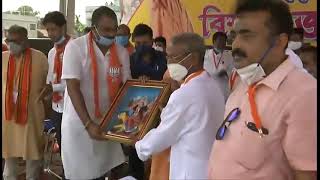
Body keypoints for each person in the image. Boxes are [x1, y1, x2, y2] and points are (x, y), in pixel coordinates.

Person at [208, 0, 317, 179]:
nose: (235, 45)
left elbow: (306, 175)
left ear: (279, 42)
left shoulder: (304, 94)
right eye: (234, 36)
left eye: (247, 35)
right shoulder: (245, 80)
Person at [135, 33, 225, 179]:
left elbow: (162, 137)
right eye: (167, 57)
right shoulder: (211, 84)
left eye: (173, 57)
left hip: (189, 170)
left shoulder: (185, 94)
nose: (169, 63)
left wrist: (139, 145)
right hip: (209, 167)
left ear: (193, 58)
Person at [61, 6, 131, 179]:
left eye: (114, 29)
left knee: (102, 171)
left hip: (107, 124)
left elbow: (127, 87)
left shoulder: (121, 52)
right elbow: (72, 87)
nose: (112, 34)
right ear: (94, 29)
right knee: (80, 173)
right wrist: (88, 123)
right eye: (106, 30)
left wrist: (142, 86)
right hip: (80, 123)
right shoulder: (75, 48)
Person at [2, 25, 50, 180]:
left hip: (32, 116)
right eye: (9, 40)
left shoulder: (40, 57)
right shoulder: (2, 58)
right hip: (7, 117)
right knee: (8, 159)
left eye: (16, 40)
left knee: (33, 156)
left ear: (26, 41)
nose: (12, 44)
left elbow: (48, 86)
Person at [42, 11, 71, 169]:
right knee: (62, 146)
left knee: (72, 147)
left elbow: (73, 82)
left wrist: (51, 87)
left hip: (72, 106)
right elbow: (50, 77)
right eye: (48, 30)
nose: (50, 33)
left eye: (53, 29)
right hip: (56, 106)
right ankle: (66, 173)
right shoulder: (52, 52)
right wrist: (46, 90)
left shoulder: (73, 47)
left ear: (63, 28)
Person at [203, 31, 234, 101]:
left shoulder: (229, 56)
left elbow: (233, 71)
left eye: (224, 41)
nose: (222, 43)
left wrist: (226, 73)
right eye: (220, 40)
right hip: (207, 90)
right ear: (214, 41)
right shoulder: (204, 55)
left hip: (223, 90)